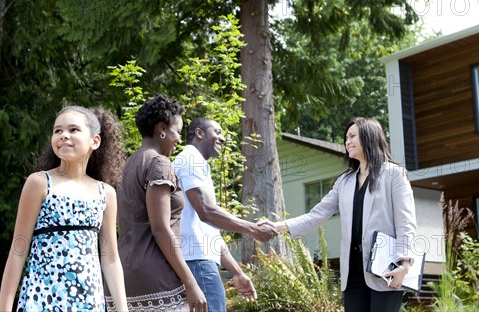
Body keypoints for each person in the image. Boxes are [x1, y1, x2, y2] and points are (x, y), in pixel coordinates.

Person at [269, 117, 417, 312]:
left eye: (352, 136)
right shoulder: (344, 182)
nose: (347, 142)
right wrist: (278, 226)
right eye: (346, 137)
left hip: (386, 269)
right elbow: (316, 215)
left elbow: (406, 222)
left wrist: (404, 265)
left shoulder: (394, 174)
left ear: (369, 137)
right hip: (352, 272)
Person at [0, 106, 128, 312]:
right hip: (41, 299)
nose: (63, 135)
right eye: (57, 130)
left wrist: (123, 310)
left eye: (73, 130)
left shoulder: (106, 193)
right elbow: (18, 249)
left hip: (89, 302)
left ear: (95, 141)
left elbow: (110, 257)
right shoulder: (39, 183)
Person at [105, 94, 207, 312]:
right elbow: (160, 229)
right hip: (157, 279)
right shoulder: (159, 163)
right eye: (177, 132)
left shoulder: (126, 166)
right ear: (162, 128)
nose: (179, 139)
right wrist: (191, 283)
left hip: (123, 277)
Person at [173, 117, 277, 312]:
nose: (223, 138)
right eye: (217, 132)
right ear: (199, 133)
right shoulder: (190, 160)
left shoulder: (197, 164)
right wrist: (253, 229)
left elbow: (210, 230)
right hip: (196, 261)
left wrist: (237, 273)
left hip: (200, 261)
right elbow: (207, 212)